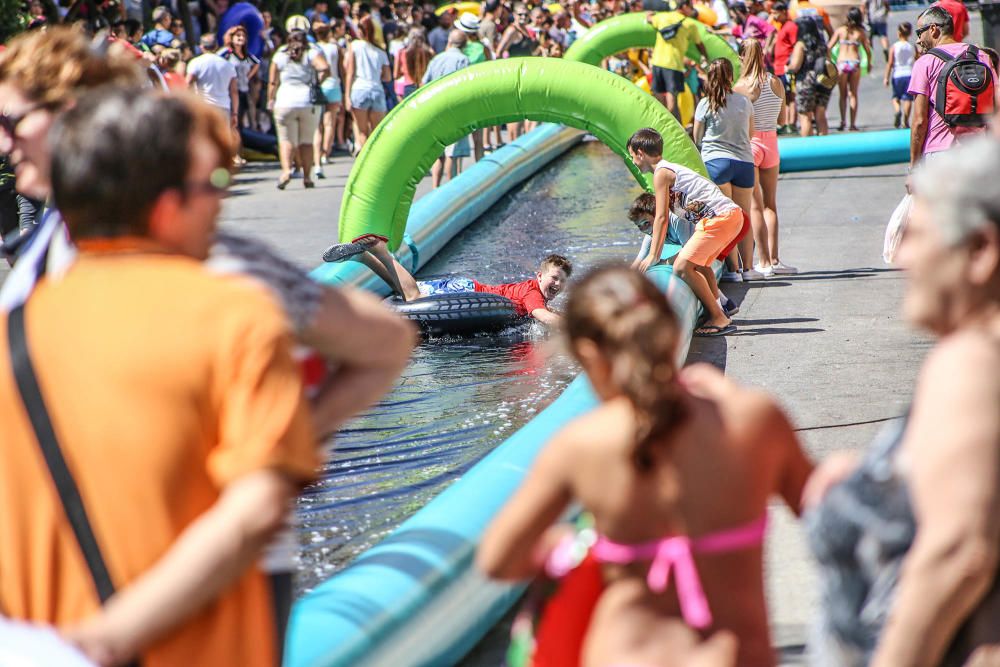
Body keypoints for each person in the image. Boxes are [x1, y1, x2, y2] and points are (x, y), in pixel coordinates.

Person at [0, 87, 318, 667]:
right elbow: (254, 513)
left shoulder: (12, 328)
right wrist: (106, 639)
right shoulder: (235, 318)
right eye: (214, 187)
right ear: (166, 203)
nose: (223, 205)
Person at [478, 265, 814, 667]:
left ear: (587, 355)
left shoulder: (581, 444)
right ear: (673, 331)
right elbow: (828, 517)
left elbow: (499, 559)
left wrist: (576, 546)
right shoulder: (754, 419)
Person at [804, 137, 1000, 667]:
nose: (900, 257)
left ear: (980, 251)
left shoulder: (973, 364)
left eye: (915, 234)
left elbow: (958, 554)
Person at [627, 127, 744, 337]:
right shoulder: (670, 169)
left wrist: (654, 257)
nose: (632, 161)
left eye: (632, 155)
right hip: (728, 216)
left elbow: (661, 217)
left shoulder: (661, 173)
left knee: (682, 267)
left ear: (640, 153)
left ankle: (719, 316)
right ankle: (722, 307)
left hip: (720, 218)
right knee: (696, 264)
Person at [323, 236, 571, 326]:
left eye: (562, 281)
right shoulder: (533, 294)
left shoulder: (531, 289)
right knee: (414, 297)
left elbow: (548, 312)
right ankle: (380, 250)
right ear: (539, 276)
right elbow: (543, 316)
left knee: (405, 289)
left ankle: (364, 259)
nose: (557, 284)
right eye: (554, 277)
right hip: (465, 293)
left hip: (466, 288)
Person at [735, 38, 797, 279]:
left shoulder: (740, 87)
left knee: (754, 207)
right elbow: (783, 120)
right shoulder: (775, 82)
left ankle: (762, 263)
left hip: (749, 146)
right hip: (771, 143)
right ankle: (775, 259)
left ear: (742, 58)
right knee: (771, 205)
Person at [907, 7, 997, 170]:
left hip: (940, 155)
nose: (918, 40)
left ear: (933, 29)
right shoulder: (982, 56)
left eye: (919, 32)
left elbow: (920, 121)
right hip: (978, 152)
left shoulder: (925, 62)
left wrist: (913, 166)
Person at [693, 58, 757, 283]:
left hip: (716, 163)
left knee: (726, 218)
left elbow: (697, 138)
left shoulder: (705, 104)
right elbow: (750, 134)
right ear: (731, 77)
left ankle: (734, 270)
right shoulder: (744, 102)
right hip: (743, 162)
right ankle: (749, 268)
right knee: (744, 216)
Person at [267, 29, 330, 189]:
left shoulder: (280, 55)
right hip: (307, 101)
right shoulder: (311, 53)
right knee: (306, 142)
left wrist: (270, 99)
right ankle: (307, 177)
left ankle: (287, 171)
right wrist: (317, 82)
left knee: (286, 140)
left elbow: (273, 82)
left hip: (285, 101)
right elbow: (324, 67)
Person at [423, 30, 472, 187]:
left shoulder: (436, 59)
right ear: (464, 45)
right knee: (453, 152)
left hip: (436, 109)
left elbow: (425, 83)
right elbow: (467, 86)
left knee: (439, 153)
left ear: (449, 42)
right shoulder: (463, 60)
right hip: (454, 110)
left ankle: (435, 188)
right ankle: (451, 189)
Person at [645, 0, 709, 120]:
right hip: (674, 65)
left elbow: (649, 18)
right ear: (684, 6)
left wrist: (650, 13)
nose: (692, 10)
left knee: (658, 99)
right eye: (691, 7)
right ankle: (677, 131)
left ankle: (662, 126)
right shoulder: (690, 24)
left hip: (657, 62)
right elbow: (700, 44)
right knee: (672, 101)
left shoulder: (662, 17)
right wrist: (706, 57)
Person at [344, 15, 391, 154]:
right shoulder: (381, 51)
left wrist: (347, 96)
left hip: (359, 89)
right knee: (377, 134)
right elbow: (387, 77)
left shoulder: (355, 46)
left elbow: (350, 72)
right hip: (376, 90)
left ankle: (364, 161)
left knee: (362, 131)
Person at [828, 7, 872, 132]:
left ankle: (843, 122)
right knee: (853, 94)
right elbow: (868, 51)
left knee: (842, 95)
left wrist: (830, 62)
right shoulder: (860, 33)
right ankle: (852, 124)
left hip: (842, 63)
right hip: (854, 64)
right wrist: (869, 63)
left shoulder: (840, 31)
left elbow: (829, 46)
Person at [457, 12, 493, 162]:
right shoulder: (483, 47)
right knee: (478, 137)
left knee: (458, 137)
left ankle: (457, 173)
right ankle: (479, 165)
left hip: (462, 92)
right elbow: (491, 68)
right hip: (479, 92)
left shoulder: (459, 48)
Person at [186, 34, 239, 136]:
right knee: (221, 141)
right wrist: (235, 113)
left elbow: (188, 84)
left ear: (201, 46)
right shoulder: (228, 65)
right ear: (216, 46)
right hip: (223, 107)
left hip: (203, 106)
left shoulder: (196, 63)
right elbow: (234, 91)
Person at [789, 16, 832, 137]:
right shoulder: (823, 44)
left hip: (805, 83)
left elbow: (795, 65)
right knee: (821, 115)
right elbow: (828, 61)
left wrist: (787, 68)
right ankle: (824, 146)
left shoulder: (801, 45)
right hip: (823, 82)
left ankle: (808, 150)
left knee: (805, 117)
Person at [312, 21, 345, 172]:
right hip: (333, 85)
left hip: (318, 86)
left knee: (317, 125)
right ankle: (326, 153)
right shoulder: (335, 47)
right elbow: (341, 69)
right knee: (330, 123)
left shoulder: (313, 49)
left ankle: (317, 155)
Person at [219, 25, 261, 134]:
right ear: (231, 38)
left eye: (243, 36)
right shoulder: (226, 53)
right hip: (228, 92)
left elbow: (257, 63)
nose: (240, 38)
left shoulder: (246, 55)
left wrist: (249, 75)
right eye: (238, 35)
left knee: (239, 123)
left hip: (243, 91)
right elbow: (216, 62)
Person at [768, 1, 798, 134]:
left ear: (784, 12)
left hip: (786, 67)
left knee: (790, 96)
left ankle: (791, 124)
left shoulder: (791, 26)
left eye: (776, 13)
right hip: (778, 67)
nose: (774, 16)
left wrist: (790, 64)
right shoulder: (781, 26)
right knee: (782, 97)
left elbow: (796, 46)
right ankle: (784, 123)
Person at [884, 21, 915, 129]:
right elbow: (918, 59)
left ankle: (897, 110)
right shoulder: (911, 47)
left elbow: (890, 63)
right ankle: (905, 121)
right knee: (908, 99)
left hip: (897, 74)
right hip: (909, 74)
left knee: (895, 97)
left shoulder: (894, 47)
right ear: (910, 33)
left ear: (898, 33)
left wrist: (886, 77)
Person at [395, 27, 433, 99]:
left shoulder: (402, 52)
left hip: (409, 87)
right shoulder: (429, 52)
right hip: (426, 87)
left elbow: (396, 75)